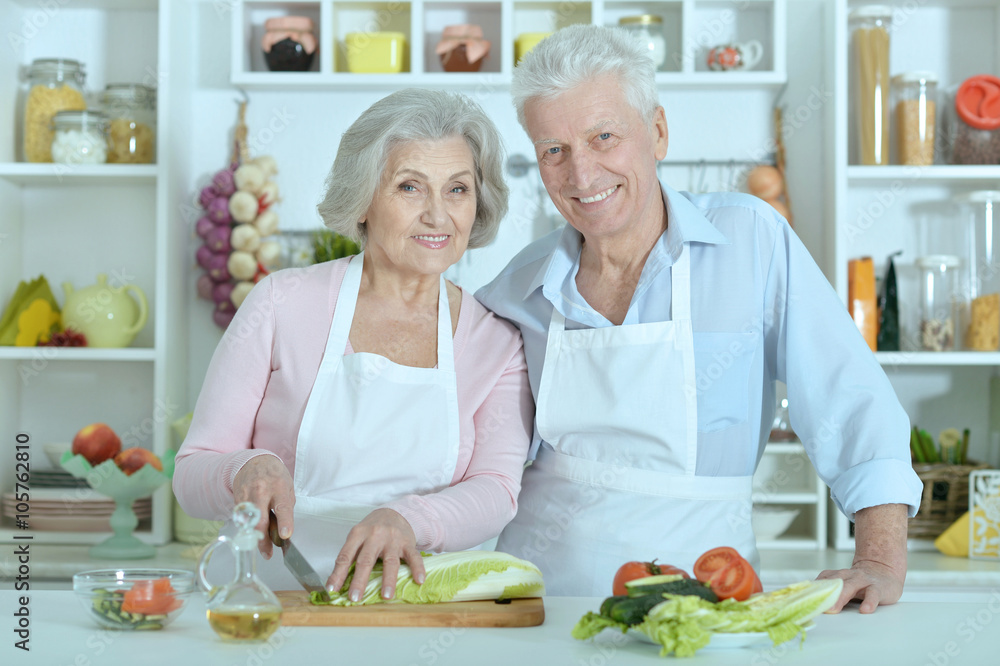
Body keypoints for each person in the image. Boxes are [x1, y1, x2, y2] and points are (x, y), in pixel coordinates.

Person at [476, 25, 923, 611]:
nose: (581, 175)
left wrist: (879, 561)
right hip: (539, 602)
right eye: (553, 150)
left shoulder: (750, 240)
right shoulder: (517, 286)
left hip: (712, 596)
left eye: (603, 137)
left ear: (657, 131)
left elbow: (851, 397)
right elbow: (464, 440)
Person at [175, 88, 533, 602]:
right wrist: (243, 469)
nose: (438, 215)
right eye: (410, 187)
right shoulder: (281, 303)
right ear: (362, 199)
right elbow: (191, 472)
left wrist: (409, 516)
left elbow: (497, 490)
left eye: (457, 189)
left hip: (419, 612)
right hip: (273, 608)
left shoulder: (495, 341)